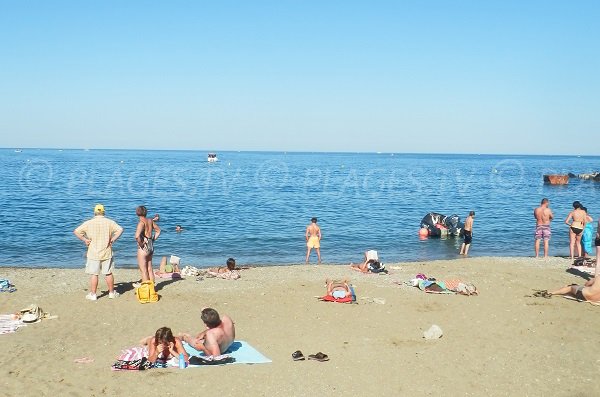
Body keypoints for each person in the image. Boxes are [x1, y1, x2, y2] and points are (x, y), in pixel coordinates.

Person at [73, 204, 124, 300]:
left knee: (94, 274)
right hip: (106, 251)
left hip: (93, 252)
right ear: (103, 212)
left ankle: (93, 294)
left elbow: (76, 231)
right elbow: (120, 229)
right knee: (108, 273)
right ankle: (111, 293)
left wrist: (85, 240)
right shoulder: (109, 222)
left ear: (95, 212)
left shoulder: (89, 223)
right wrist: (113, 239)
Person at [135, 205, 161, 283]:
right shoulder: (150, 221)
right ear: (146, 213)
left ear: (137, 213)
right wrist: (153, 240)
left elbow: (137, 236)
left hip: (144, 247)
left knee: (143, 270)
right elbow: (158, 231)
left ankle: (146, 289)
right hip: (151, 245)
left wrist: (141, 243)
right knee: (150, 268)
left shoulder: (141, 223)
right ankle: (152, 287)